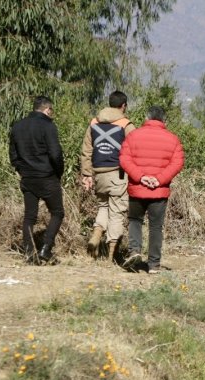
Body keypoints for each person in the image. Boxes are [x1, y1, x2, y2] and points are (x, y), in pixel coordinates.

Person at [119, 106, 185, 274]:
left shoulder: (134, 135)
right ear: (164, 121)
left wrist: (141, 177)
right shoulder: (173, 139)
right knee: (156, 227)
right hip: (159, 191)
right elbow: (177, 163)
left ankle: (134, 251)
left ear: (147, 118)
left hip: (137, 188)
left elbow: (124, 159)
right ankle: (154, 265)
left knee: (135, 221)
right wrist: (159, 179)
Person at [79, 90, 136, 262]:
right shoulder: (126, 125)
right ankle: (111, 255)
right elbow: (135, 149)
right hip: (117, 174)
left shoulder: (94, 122)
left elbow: (86, 150)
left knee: (103, 206)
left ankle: (97, 233)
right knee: (117, 212)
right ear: (123, 106)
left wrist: (87, 174)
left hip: (98, 174)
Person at [9, 95, 65, 264]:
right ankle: (46, 248)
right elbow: (55, 153)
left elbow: (13, 154)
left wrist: (21, 170)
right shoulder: (48, 126)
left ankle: (29, 252)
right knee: (57, 212)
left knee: (29, 216)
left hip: (28, 177)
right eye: (51, 110)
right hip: (47, 176)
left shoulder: (18, 126)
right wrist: (58, 172)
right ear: (47, 109)